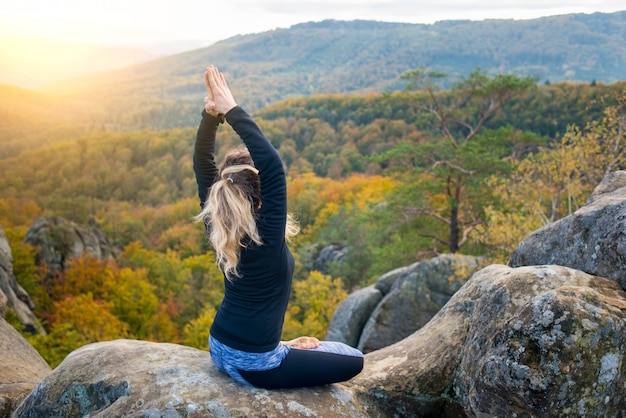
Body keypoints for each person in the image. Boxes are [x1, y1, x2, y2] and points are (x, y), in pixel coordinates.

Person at [193, 65, 364, 389]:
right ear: (259, 201)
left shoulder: (220, 228)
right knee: (354, 358)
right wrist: (230, 110)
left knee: (310, 347)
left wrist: (210, 117)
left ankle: (282, 347)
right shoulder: (267, 240)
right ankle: (281, 350)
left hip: (219, 347)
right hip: (257, 365)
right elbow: (271, 164)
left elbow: (203, 164)